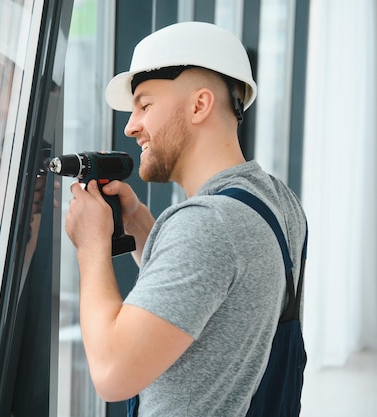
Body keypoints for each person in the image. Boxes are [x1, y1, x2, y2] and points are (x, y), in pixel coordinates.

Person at [64, 21, 308, 416]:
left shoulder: (207, 224)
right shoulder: (277, 200)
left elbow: (112, 372)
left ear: (199, 105)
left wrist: (91, 246)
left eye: (145, 105)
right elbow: (221, 296)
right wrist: (142, 224)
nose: (131, 126)